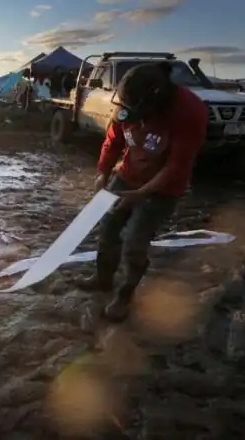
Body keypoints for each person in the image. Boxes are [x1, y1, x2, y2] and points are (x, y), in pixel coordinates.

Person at [76, 61, 208, 321]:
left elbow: (177, 166)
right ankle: (103, 279)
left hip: (164, 187)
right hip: (127, 174)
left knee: (135, 241)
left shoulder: (190, 112)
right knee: (108, 226)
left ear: (152, 106)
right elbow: (113, 141)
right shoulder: (129, 102)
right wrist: (103, 172)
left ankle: (125, 295)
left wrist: (142, 193)